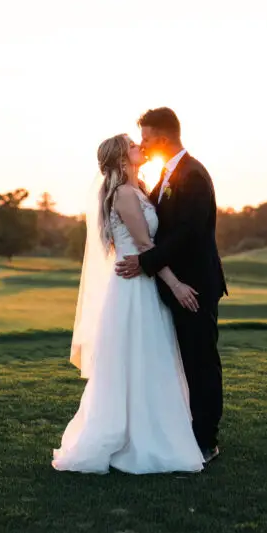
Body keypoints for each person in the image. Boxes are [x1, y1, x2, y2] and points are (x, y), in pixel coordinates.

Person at [52, 133, 204, 474]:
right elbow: (145, 246)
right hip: (133, 291)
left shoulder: (137, 190)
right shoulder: (122, 194)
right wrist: (177, 285)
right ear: (123, 159)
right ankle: (138, 441)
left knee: (149, 360)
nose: (141, 147)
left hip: (143, 287)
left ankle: (150, 434)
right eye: (134, 145)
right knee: (137, 360)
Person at [116, 107, 227, 463]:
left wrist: (146, 262)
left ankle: (206, 441)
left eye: (146, 138)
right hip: (172, 284)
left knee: (201, 362)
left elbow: (188, 234)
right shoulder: (167, 173)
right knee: (182, 361)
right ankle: (181, 429)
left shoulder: (192, 175)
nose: (143, 145)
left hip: (194, 285)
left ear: (162, 138)